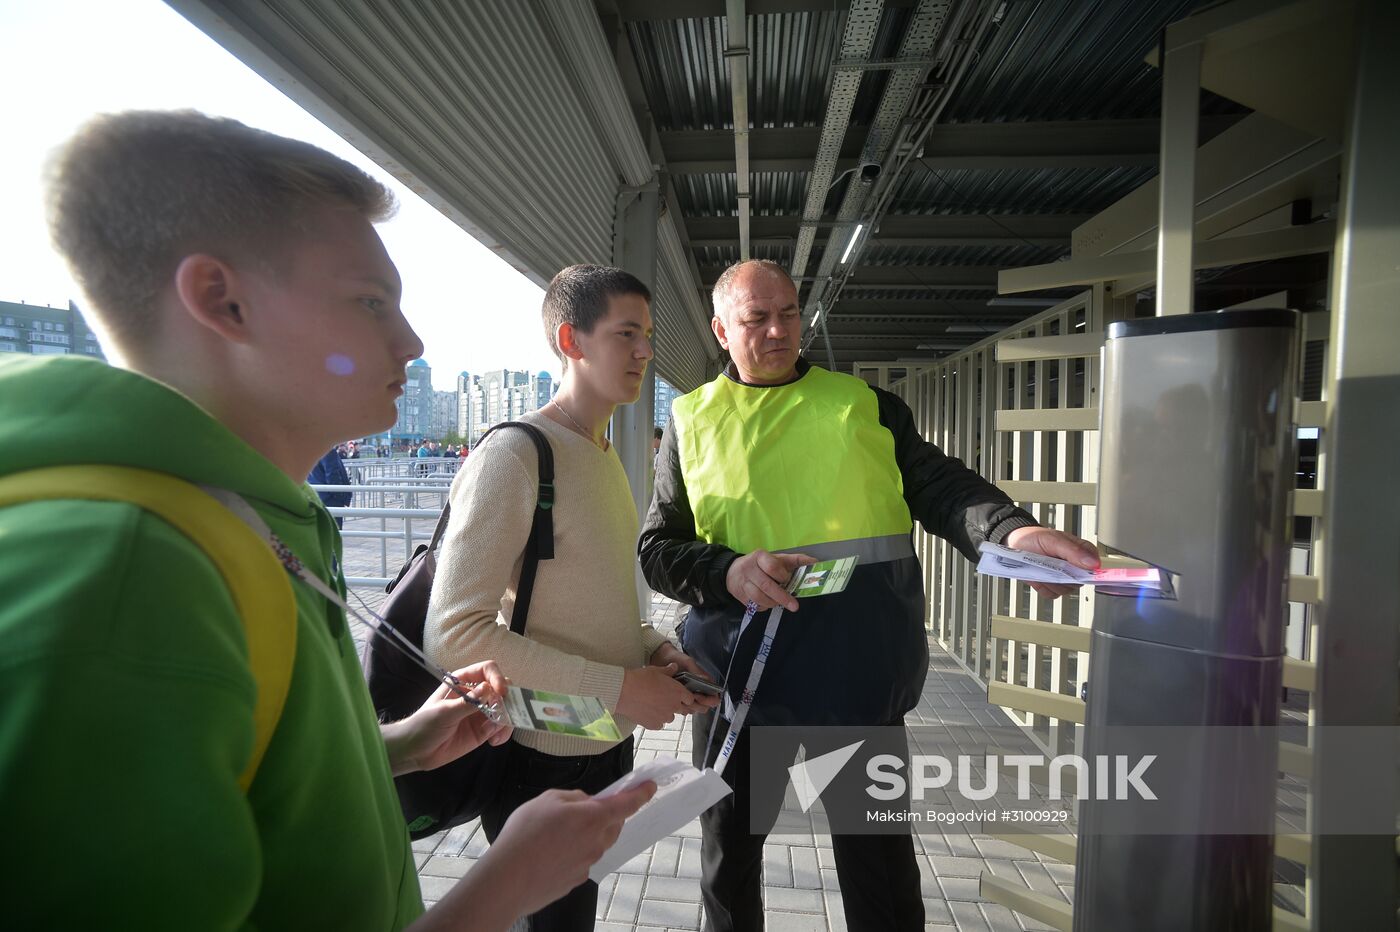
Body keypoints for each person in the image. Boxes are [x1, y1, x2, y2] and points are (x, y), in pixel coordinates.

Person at [0, 110, 655, 931]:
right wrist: (500, 891)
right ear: (222, 301)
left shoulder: (243, 518)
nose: (412, 340)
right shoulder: (121, 585)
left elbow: (247, 777)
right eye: (370, 301)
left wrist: (395, 747)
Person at [638, 259, 1100, 932]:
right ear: (719, 330)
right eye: (756, 319)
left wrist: (1011, 531)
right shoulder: (690, 422)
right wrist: (729, 571)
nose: (777, 330)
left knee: (878, 870)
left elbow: (941, 487)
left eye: (789, 313)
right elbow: (658, 551)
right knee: (729, 862)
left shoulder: (864, 406)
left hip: (856, 678)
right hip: (742, 686)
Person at [425, 264, 720, 930]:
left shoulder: (606, 453)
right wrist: (619, 687)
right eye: (626, 334)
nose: (645, 351)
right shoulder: (517, 454)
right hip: (537, 754)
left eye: (647, 334)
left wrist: (655, 650)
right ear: (571, 340)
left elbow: (598, 599)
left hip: (601, 743)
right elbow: (455, 633)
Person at [309, 444, 353, 528]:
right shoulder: (327, 450)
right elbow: (333, 475)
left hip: (317, 496)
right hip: (330, 499)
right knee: (334, 531)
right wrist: (341, 497)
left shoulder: (309, 449)